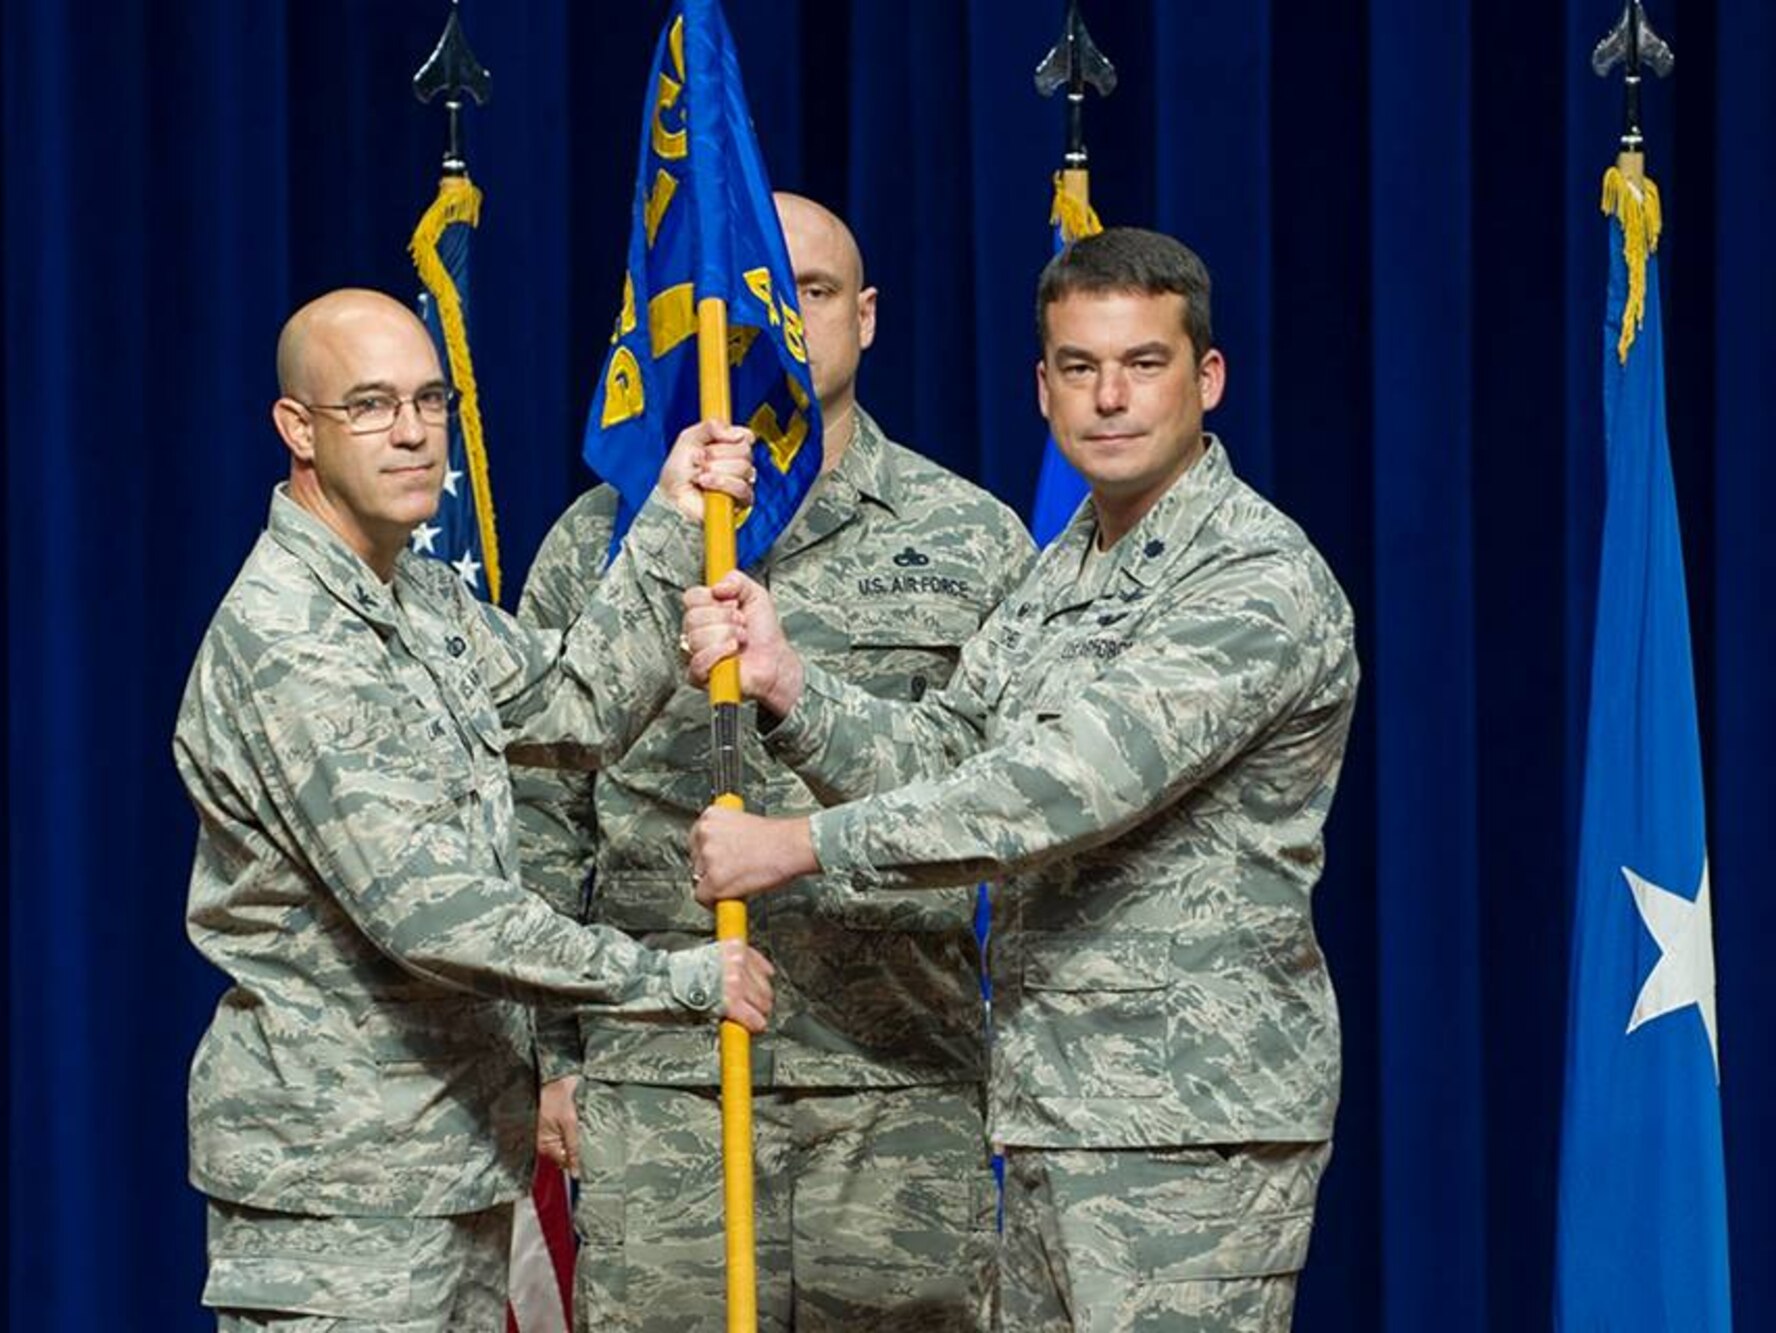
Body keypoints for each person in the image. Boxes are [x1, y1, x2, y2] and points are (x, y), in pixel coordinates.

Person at [682, 229, 1359, 1333]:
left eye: (1143, 364)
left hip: (1188, 1120)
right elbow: (951, 754)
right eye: (1079, 368)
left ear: (1208, 379)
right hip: (1053, 1102)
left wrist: (799, 844)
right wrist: (790, 686)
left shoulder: (1254, 579)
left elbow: (1054, 792)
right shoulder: (1062, 573)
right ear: (1041, 386)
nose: (1109, 399)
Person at [175, 288, 776, 1332]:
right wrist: (668, 978)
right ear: (296, 429)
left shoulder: (416, 595)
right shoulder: (291, 639)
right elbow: (431, 913)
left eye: (428, 400)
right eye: (368, 405)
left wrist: (671, 521)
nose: (410, 431)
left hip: (444, 1164)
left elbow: (569, 706)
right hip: (341, 1198)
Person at [512, 194, 1036, 1331]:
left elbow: (1006, 799)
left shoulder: (974, 539)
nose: (783, 323)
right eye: (752, 294)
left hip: (896, 1078)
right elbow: (536, 813)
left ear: (869, 314)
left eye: (811, 290)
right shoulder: (605, 541)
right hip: (663, 1087)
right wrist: (548, 1055)